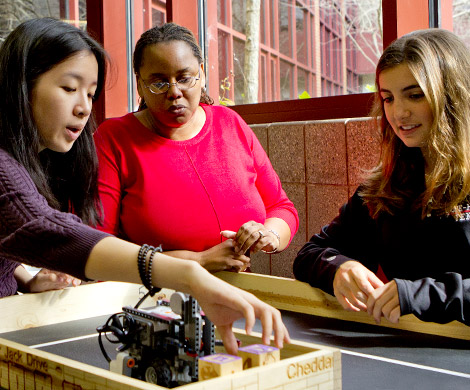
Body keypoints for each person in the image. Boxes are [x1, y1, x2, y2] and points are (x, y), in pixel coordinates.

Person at [0, 17, 290, 355]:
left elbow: (13, 232)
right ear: (21, 84)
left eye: (90, 93)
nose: (83, 108)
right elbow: (53, 232)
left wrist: (25, 276)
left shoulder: (33, 159)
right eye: (68, 88)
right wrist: (192, 272)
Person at [294, 28, 470, 326]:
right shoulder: (384, 185)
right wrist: (339, 268)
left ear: (451, 96)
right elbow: (309, 254)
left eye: (414, 95)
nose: (399, 113)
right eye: (388, 98)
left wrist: (417, 295)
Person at [94, 23, 298, 273]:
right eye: (159, 83)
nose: (174, 92)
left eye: (184, 78)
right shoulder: (114, 138)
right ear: (140, 85)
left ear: (201, 73)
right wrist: (198, 261)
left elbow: (281, 207)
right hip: (155, 301)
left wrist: (269, 234)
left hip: (240, 296)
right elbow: (97, 247)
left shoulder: (229, 123)